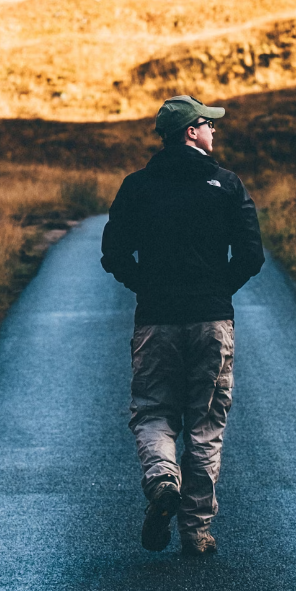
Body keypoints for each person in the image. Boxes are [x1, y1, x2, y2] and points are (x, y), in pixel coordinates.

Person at [100, 94, 264, 555]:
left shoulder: (136, 186)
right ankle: (196, 532)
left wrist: (146, 287)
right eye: (209, 125)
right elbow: (252, 256)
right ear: (191, 131)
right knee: (206, 423)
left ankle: (161, 478)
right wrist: (218, 291)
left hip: (156, 319)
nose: (215, 131)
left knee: (154, 411)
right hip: (212, 319)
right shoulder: (227, 184)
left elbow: (112, 255)